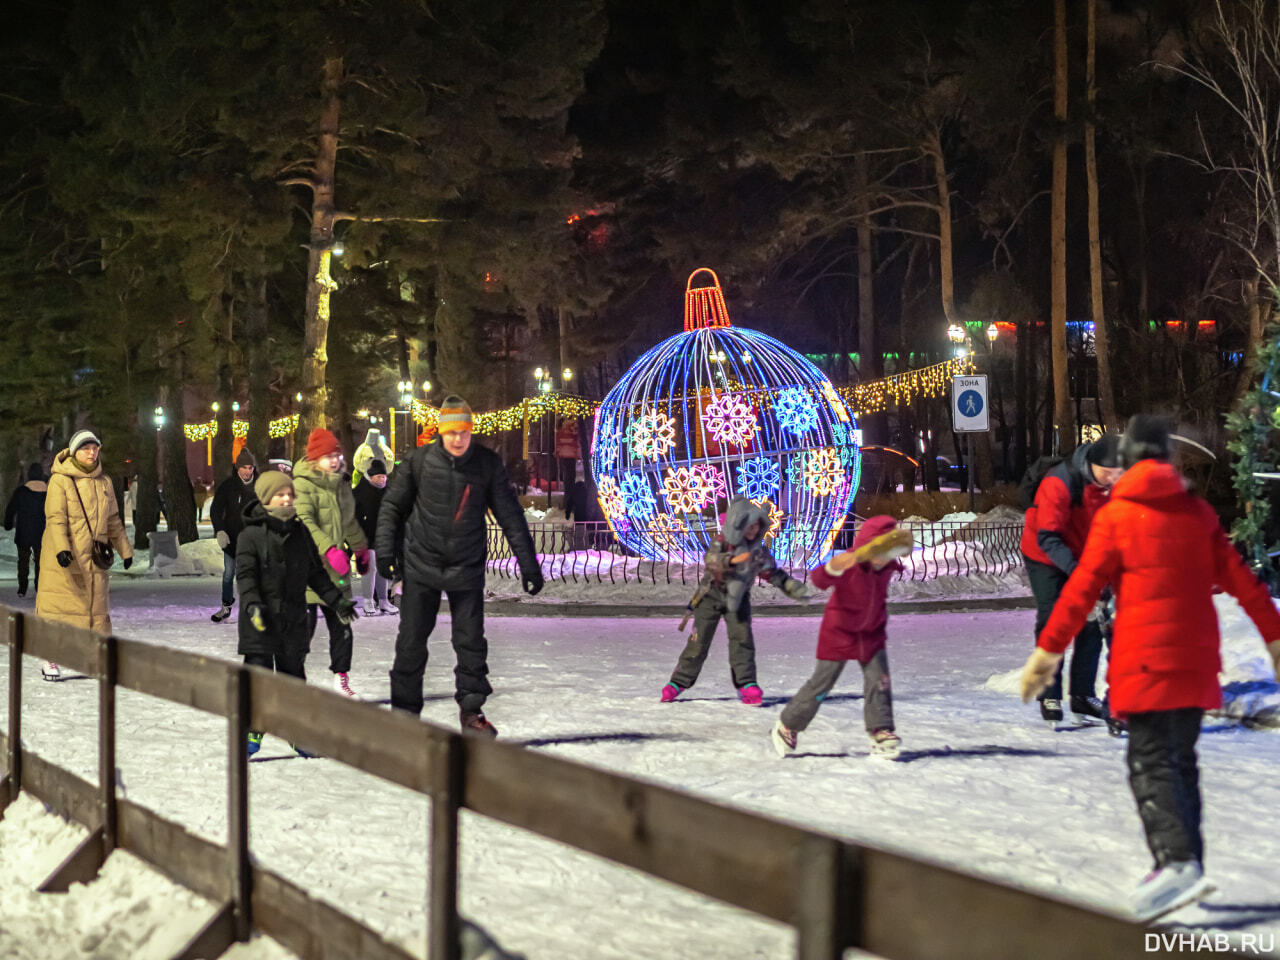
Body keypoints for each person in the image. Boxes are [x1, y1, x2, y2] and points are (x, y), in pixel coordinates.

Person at [1020, 415, 1280, 921]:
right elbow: (1244, 583)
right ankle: (1187, 865)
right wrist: (1274, 636)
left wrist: (1047, 653)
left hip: (1144, 665)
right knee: (1180, 763)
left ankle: (1177, 864)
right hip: (1195, 666)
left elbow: (1081, 591)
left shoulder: (1118, 516)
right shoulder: (1199, 514)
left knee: (1150, 765)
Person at [376, 394, 543, 737]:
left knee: (470, 642)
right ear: (441, 433)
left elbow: (509, 514)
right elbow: (392, 507)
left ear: (470, 431)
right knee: (410, 641)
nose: (457, 439)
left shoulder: (486, 464)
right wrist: (386, 554)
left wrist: (528, 564)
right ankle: (404, 716)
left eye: (463, 433)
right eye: (451, 433)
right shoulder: (419, 462)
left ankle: (471, 711)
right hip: (421, 563)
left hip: (465, 567)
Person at [770, 516, 913, 759]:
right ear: (867, 547)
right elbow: (819, 579)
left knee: (880, 681)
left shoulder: (887, 567)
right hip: (839, 633)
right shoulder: (849, 564)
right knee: (821, 685)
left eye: (889, 552)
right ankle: (788, 724)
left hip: (871, 634)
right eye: (879, 551)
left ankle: (881, 731)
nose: (883, 558)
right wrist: (833, 567)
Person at [236, 470, 357, 756]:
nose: (286, 499)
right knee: (259, 678)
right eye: (280, 495)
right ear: (267, 498)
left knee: (293, 679)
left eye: (290, 495)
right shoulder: (249, 535)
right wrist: (253, 605)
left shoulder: (300, 532)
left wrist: (335, 600)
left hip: (291, 618)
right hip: (261, 620)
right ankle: (253, 729)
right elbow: (245, 576)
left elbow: (315, 574)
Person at [661, 497, 810, 706]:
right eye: (750, 525)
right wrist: (731, 560)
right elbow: (711, 560)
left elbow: (773, 574)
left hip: (738, 600)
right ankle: (678, 682)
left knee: (742, 640)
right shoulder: (722, 541)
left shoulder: (757, 552)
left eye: (757, 525)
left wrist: (791, 587)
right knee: (699, 641)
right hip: (710, 596)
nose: (753, 530)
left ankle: (747, 684)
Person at [1019, 434, 1124, 725]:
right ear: (1093, 464)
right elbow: (1048, 537)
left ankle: (1082, 694)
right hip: (1044, 555)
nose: (1113, 479)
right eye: (1108, 473)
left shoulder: (1112, 486)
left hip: (1085, 555)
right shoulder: (1059, 482)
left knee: (1092, 621)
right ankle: (1049, 693)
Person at [35, 430, 134, 680]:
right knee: (59, 610)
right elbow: (55, 519)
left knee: (96, 612)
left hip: (94, 558)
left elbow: (112, 520)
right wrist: (62, 549)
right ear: (74, 451)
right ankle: (51, 658)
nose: (92, 453)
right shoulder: (60, 481)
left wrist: (125, 548)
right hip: (64, 559)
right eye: (86, 448)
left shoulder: (105, 482)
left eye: (95, 448)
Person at [293, 428, 369, 697]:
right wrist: (329, 551)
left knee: (343, 626)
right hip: (309, 572)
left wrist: (360, 549)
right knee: (302, 634)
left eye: (337, 455)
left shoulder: (342, 483)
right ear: (314, 459)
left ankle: (341, 679)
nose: (335, 460)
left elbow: (348, 521)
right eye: (328, 456)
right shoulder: (301, 484)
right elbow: (306, 523)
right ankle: (291, 684)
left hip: (337, 576)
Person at [209, 448, 258, 623]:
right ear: (237, 468)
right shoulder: (228, 486)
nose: (247, 471)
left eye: (250, 468)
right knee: (229, 573)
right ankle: (226, 606)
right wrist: (220, 530)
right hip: (231, 538)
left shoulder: (261, 486)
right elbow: (215, 510)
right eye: (244, 467)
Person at [353, 459, 393, 616]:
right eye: (379, 477)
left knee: (383, 567)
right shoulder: (360, 492)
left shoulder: (388, 492)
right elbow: (353, 516)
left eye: (384, 476)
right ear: (371, 477)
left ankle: (383, 600)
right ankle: (368, 600)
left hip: (383, 536)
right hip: (366, 536)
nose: (382, 479)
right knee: (370, 568)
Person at [4, 464, 48, 598]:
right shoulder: (49, 493)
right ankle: (39, 586)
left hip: (24, 532)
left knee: (23, 561)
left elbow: (11, 509)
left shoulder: (21, 491)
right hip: (42, 532)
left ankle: (22, 588)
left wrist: (8, 524)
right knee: (41, 562)